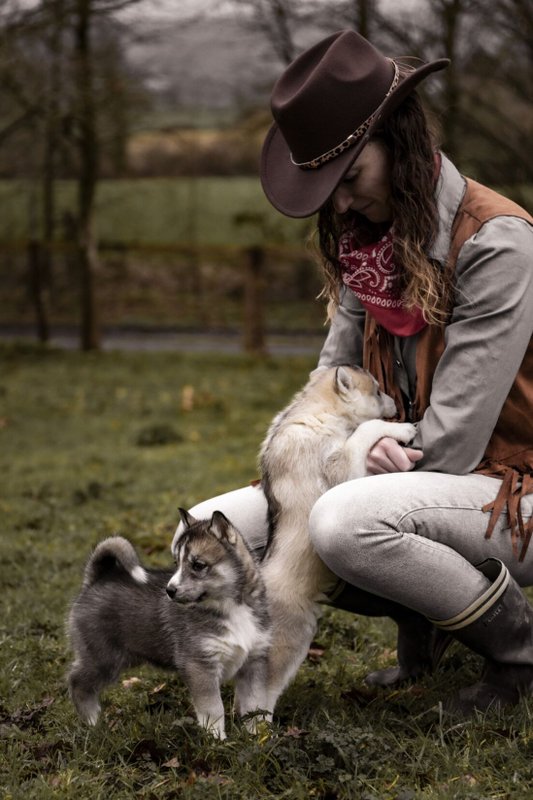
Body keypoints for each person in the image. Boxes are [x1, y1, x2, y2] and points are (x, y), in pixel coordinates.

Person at [181, 29, 533, 714]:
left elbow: (454, 442)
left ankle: (517, 656)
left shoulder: (496, 242)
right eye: (326, 188)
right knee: (212, 525)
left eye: (349, 180)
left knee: (340, 520)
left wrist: (351, 451)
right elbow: (328, 387)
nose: (338, 205)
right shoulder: (367, 249)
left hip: (508, 490)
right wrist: (336, 451)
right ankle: (424, 624)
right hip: (404, 479)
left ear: (398, 145)